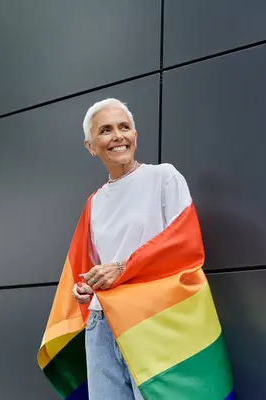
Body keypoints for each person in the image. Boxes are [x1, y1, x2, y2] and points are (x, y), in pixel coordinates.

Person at [72, 98, 192, 399]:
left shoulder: (164, 178)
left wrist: (124, 268)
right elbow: (94, 264)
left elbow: (185, 245)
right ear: (90, 146)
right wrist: (87, 287)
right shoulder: (95, 202)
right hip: (102, 323)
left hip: (151, 317)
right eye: (106, 130)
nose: (117, 136)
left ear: (135, 136)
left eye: (124, 127)